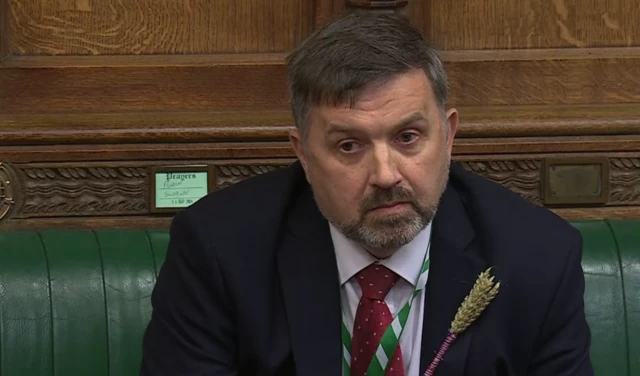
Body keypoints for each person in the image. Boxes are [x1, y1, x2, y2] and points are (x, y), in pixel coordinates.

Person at [140, 11, 594, 376]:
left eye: (408, 137)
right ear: (304, 155)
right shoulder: (219, 248)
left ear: (449, 135)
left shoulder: (537, 257)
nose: (385, 174)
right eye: (349, 146)